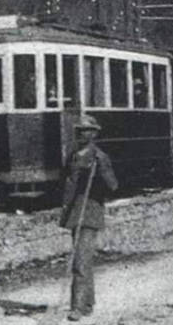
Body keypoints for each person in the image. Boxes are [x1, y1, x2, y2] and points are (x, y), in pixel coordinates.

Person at [59, 114, 119, 321]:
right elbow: (66, 183)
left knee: (80, 261)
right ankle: (88, 303)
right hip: (74, 213)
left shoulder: (99, 157)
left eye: (85, 130)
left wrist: (100, 171)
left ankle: (77, 306)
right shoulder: (73, 156)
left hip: (90, 212)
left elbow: (113, 186)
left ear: (94, 134)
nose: (81, 134)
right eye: (78, 131)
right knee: (81, 259)